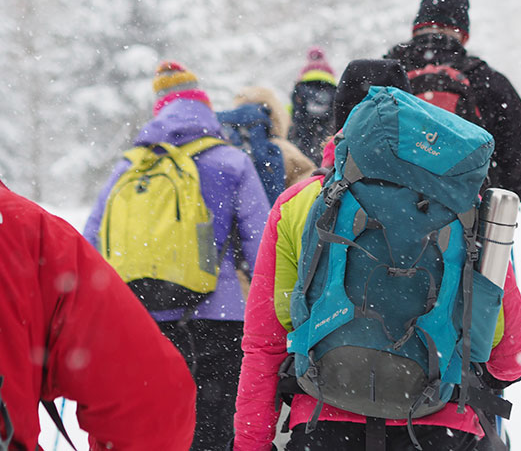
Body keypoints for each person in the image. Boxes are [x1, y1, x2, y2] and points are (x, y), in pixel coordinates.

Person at [233, 59, 521, 451]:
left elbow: (265, 344)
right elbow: (509, 356)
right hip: (440, 430)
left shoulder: (299, 204)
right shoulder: (465, 207)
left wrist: (251, 444)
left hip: (325, 425)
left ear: (340, 122)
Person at [83, 60, 270, 451]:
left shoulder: (129, 168)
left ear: (159, 111)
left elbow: (89, 249)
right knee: (215, 433)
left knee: (157, 434)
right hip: (220, 320)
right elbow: (262, 250)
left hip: (144, 322)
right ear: (205, 107)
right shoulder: (232, 161)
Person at [0, 179, 196, 450]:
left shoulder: (126, 169)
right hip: (205, 315)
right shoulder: (26, 226)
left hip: (144, 299)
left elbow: (96, 229)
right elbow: (154, 399)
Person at [385, 0, 521, 202]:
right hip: (460, 217)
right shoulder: (488, 81)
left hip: (379, 212)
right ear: (463, 35)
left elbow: (338, 143)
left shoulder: (382, 74)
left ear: (416, 29)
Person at [220, 85, 316, 203]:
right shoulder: (283, 149)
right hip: (271, 217)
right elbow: (308, 192)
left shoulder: (224, 145)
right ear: (277, 116)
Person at [288, 47, 338, 166]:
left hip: (304, 130)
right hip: (326, 127)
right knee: (325, 145)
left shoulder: (304, 77)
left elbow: (293, 111)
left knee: (304, 147)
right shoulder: (330, 78)